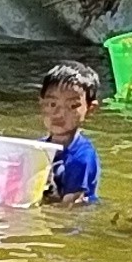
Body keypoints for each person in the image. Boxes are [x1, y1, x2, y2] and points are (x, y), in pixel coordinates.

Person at [35, 61, 101, 206]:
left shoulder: (81, 158)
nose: (59, 114)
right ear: (41, 103)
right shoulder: (37, 148)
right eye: (52, 104)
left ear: (90, 109)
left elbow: (69, 209)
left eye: (72, 106)